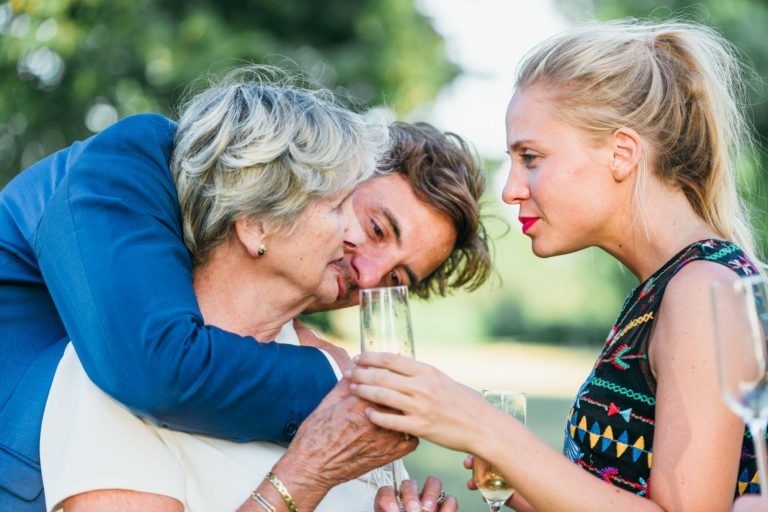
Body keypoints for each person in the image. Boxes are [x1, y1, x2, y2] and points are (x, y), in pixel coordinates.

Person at [0, 67, 491, 511]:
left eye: (395, 280)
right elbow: (154, 370)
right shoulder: (129, 169)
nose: (368, 274)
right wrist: (337, 384)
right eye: (373, 226)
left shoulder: (286, 366)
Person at [350, 18, 764, 511]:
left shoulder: (703, 288)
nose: (509, 190)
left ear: (621, 153)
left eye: (531, 157)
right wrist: (490, 450)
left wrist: (485, 428)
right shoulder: (667, 288)